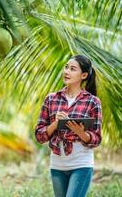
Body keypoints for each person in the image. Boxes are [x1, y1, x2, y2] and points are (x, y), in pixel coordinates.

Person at [35, 55, 102, 197]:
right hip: (57, 165)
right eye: (66, 67)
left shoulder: (93, 102)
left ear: (83, 75)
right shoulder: (51, 99)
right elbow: (39, 136)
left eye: (72, 69)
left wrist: (80, 133)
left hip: (81, 164)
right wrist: (55, 124)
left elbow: (96, 138)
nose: (66, 71)